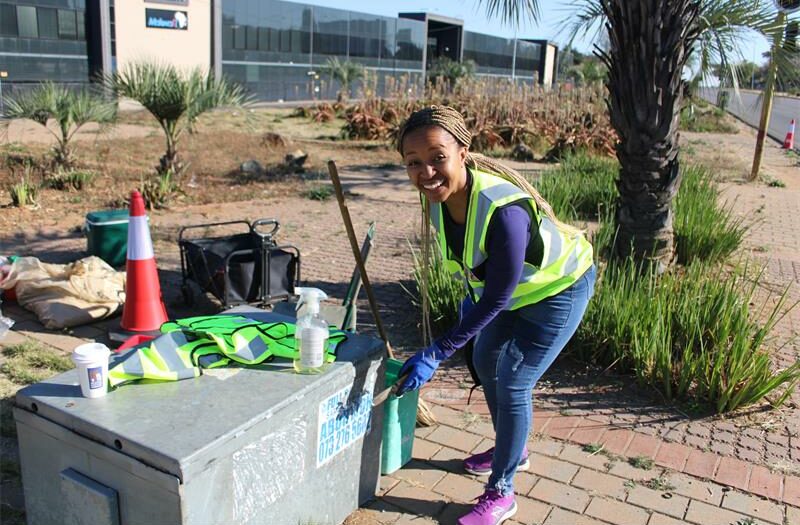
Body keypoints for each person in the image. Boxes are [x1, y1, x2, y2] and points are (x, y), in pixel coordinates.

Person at [394, 106, 596, 525]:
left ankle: (502, 492)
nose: (426, 172)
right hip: (512, 294)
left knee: (514, 380)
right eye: (414, 162)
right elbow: (477, 268)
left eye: (437, 157)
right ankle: (513, 449)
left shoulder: (503, 211)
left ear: (462, 153)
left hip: (559, 289)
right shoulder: (439, 201)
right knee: (486, 361)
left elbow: (499, 296)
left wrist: (437, 352)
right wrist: (468, 310)